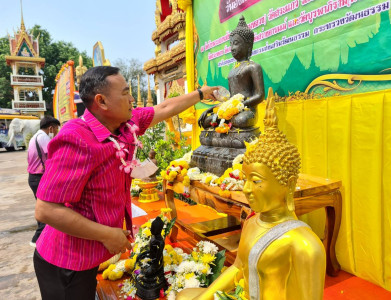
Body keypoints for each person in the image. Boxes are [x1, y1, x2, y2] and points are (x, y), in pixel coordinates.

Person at [33, 66, 217, 300]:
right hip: (67, 262)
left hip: (90, 257)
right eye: (125, 92)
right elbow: (46, 209)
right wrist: (107, 235)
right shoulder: (75, 138)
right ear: (102, 101)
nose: (132, 99)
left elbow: (164, 108)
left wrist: (201, 94)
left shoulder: (125, 126)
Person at [177, 96, 325, 299]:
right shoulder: (253, 222)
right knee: (185, 295)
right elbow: (238, 269)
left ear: (288, 184)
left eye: (255, 181)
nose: (246, 189)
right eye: (245, 179)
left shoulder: (304, 246)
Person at [198, 16, 265, 129]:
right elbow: (231, 99)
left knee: (240, 120)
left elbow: (260, 95)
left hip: (247, 111)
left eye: (236, 43)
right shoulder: (232, 72)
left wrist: (240, 105)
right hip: (231, 110)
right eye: (231, 44)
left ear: (248, 45)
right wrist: (211, 109)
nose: (232, 48)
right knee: (206, 121)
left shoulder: (253, 67)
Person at [27, 116, 60, 247]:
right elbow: (55, 154)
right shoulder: (44, 138)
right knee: (47, 209)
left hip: (33, 177)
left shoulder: (35, 137)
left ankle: (41, 238)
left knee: (44, 207)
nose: (57, 131)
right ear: (51, 127)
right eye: (56, 128)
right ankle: (37, 239)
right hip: (39, 177)